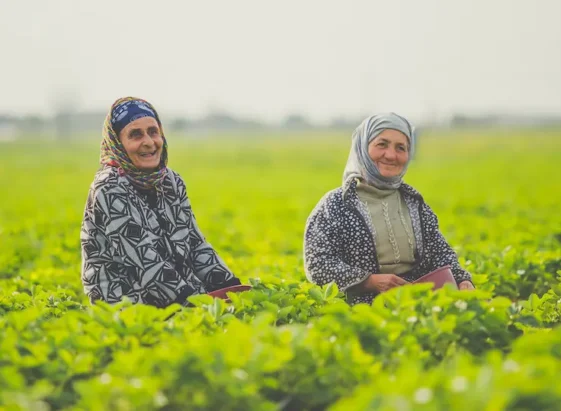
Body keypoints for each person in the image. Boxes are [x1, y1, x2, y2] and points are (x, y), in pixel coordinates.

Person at [80, 97, 241, 307]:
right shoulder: (109, 188)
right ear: (117, 143)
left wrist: (231, 286)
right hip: (127, 303)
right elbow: (143, 261)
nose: (148, 142)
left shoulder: (171, 182)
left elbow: (195, 243)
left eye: (153, 132)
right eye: (135, 135)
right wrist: (196, 303)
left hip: (178, 294)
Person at [303, 113, 474, 305]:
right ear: (363, 147)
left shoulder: (414, 203)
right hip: (360, 310)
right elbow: (318, 264)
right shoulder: (336, 204)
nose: (391, 155)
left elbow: (440, 252)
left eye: (400, 148)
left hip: (419, 305)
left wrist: (462, 279)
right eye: (382, 144)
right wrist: (369, 282)